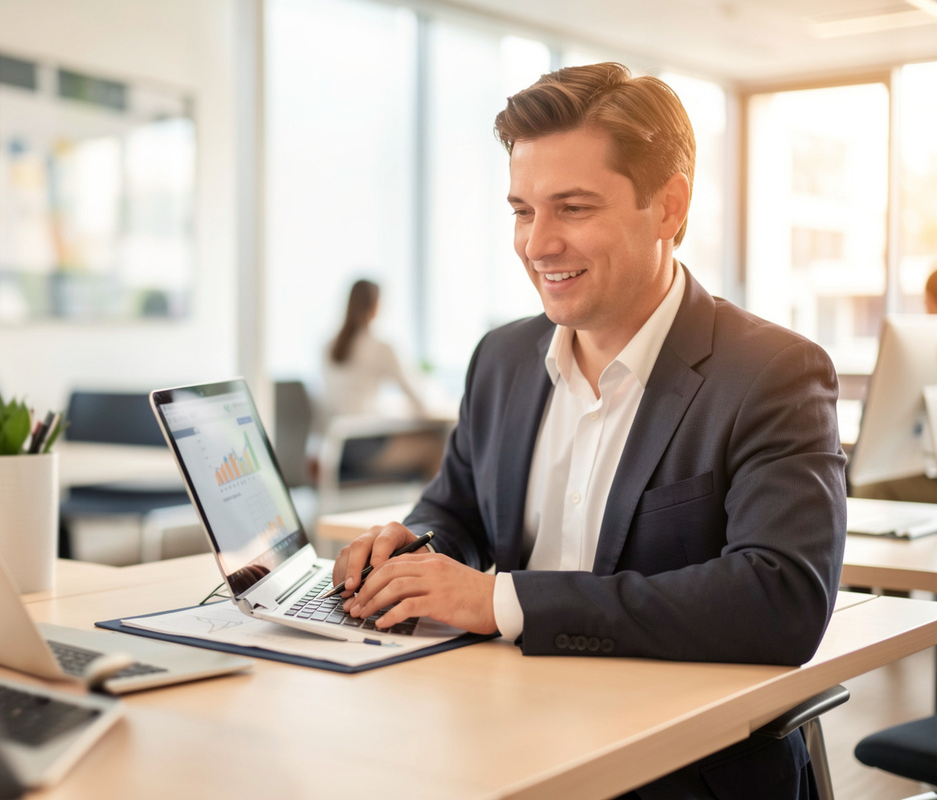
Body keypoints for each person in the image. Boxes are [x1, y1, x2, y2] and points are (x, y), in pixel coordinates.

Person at [333, 63, 845, 800]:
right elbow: (457, 512)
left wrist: (500, 601)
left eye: (572, 208)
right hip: (494, 743)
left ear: (669, 206)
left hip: (678, 774)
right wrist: (418, 558)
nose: (538, 244)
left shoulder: (773, 373)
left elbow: (781, 600)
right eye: (521, 210)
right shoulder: (502, 359)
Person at [322, 279, 444, 481]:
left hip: (333, 449)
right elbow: (418, 399)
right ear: (376, 306)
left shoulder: (327, 346)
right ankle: (431, 512)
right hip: (364, 446)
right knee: (435, 448)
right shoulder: (380, 347)